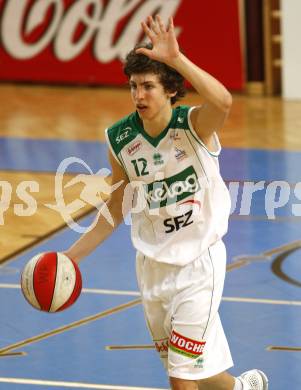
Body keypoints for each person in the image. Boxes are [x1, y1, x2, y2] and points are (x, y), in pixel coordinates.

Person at [64, 15, 268, 390]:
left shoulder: (193, 126)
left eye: (148, 86)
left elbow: (223, 100)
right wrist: (69, 257)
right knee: (201, 373)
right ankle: (244, 388)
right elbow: (115, 208)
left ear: (171, 89)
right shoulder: (120, 139)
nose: (139, 95)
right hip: (152, 268)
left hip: (198, 264)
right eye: (133, 87)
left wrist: (176, 59)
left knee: (180, 377)